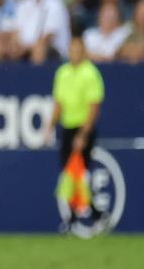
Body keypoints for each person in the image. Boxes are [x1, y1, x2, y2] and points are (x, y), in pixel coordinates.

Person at [44, 36, 108, 234]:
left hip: (83, 128)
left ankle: (93, 216)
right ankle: (79, 218)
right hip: (67, 128)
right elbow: (58, 104)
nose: (75, 53)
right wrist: (49, 126)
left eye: (78, 50)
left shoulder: (90, 73)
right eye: (72, 50)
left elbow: (94, 107)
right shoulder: (62, 73)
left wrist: (83, 134)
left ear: (84, 51)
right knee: (69, 177)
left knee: (80, 176)